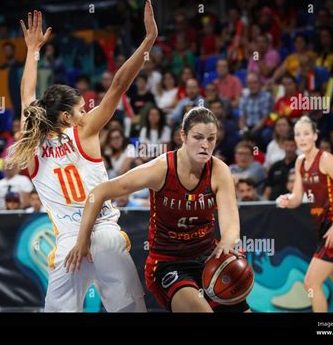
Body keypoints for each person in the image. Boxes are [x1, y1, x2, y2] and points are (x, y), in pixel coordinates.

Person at [6, 4, 157, 312]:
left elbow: (26, 95)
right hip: (104, 237)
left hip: (68, 247)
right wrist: (147, 42)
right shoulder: (83, 131)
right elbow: (118, 85)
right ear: (67, 116)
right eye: (80, 109)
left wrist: (32, 51)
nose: (85, 112)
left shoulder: (32, 142)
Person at [66, 107, 249, 313]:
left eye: (211, 139)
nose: (205, 145)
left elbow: (231, 224)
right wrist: (82, 240)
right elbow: (98, 193)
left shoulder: (219, 170)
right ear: (183, 136)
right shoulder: (161, 168)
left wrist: (226, 242)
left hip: (207, 259)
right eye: (198, 137)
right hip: (169, 264)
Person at [276, 116, 333, 312]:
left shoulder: (326, 159)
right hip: (323, 228)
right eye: (298, 134)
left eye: (306, 133)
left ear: (315, 135)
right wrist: (287, 200)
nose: (302, 138)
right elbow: (298, 197)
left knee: (311, 283)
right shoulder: (300, 162)